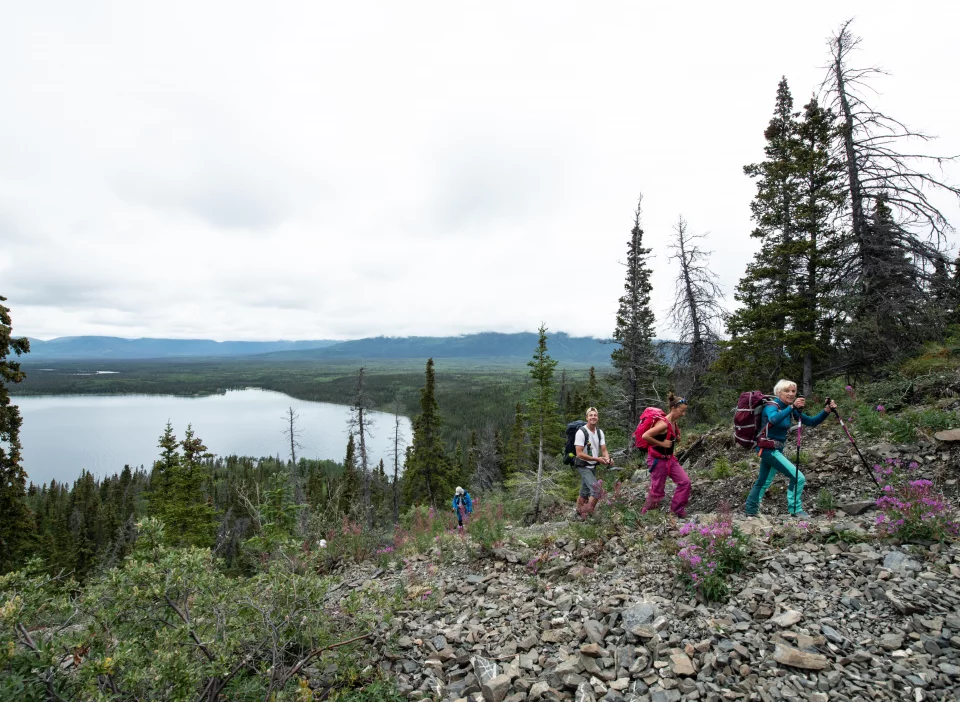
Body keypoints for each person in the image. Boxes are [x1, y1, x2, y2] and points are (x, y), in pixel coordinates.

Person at [744, 380, 837, 519]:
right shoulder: (771, 406)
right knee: (798, 477)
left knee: (763, 481)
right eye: (787, 391)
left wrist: (827, 411)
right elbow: (773, 419)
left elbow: (811, 422)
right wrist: (792, 407)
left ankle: (751, 510)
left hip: (774, 450)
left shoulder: (789, 409)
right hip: (768, 450)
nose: (791, 394)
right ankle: (795, 509)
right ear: (778, 392)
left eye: (793, 391)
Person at [640, 393, 692, 517]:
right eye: (681, 411)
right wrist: (661, 443)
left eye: (685, 411)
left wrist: (676, 438)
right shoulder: (663, 423)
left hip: (669, 459)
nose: (683, 414)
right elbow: (645, 436)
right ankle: (645, 515)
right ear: (673, 408)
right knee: (657, 492)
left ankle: (677, 510)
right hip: (657, 460)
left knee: (685, 482)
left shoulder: (674, 422)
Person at [573, 407, 612, 518]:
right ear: (587, 418)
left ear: (598, 417)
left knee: (584, 492)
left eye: (595, 415)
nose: (593, 417)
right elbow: (579, 453)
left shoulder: (599, 432)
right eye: (591, 415)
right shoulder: (581, 432)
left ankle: (578, 513)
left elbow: (604, 449)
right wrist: (596, 459)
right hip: (582, 465)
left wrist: (607, 459)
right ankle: (587, 514)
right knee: (597, 490)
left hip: (592, 465)